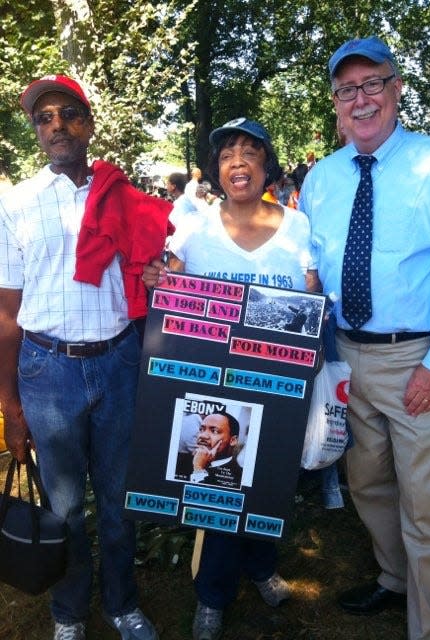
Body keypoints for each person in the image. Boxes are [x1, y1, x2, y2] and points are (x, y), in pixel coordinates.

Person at [299, 36, 430, 640]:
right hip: (346, 358)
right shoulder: (321, 178)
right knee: (367, 482)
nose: (362, 99)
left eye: (373, 82)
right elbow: (307, 268)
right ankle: (393, 579)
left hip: (417, 358)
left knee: (425, 502)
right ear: (335, 103)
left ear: (397, 87)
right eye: (347, 89)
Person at [0, 75, 173, 640]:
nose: (55, 125)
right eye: (43, 118)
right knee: (65, 505)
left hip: (120, 362)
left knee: (121, 500)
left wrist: (161, 269)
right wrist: (9, 402)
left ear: (88, 123)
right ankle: (70, 611)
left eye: (67, 113)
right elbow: (6, 312)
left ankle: (122, 604)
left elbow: (159, 267)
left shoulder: (125, 196)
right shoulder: (15, 203)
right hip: (47, 372)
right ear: (35, 131)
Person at [143, 116, 320, 640]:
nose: (238, 162)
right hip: (211, 383)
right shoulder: (195, 228)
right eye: (226, 155)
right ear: (217, 170)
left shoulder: (298, 225)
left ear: (267, 164)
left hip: (275, 384)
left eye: (249, 152)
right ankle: (213, 597)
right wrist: (161, 278)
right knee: (221, 484)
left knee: (266, 482)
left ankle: (262, 567)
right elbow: (171, 285)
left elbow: (309, 291)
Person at [175, 411, 243, 489]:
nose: (202, 435)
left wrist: (198, 469)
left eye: (214, 431)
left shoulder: (239, 477)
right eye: (201, 429)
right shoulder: (181, 461)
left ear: (233, 440)